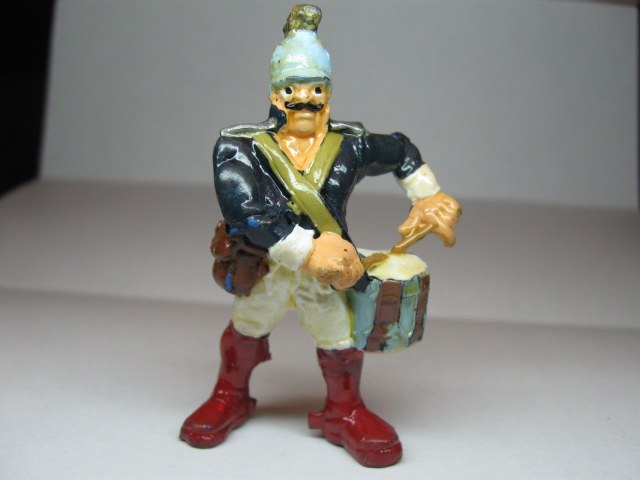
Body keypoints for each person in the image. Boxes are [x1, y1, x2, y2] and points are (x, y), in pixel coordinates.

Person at [180, 4, 461, 468]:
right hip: (268, 266)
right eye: (292, 89)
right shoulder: (239, 147)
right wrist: (309, 251)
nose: (304, 99)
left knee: (339, 338)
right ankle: (230, 395)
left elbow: (401, 151)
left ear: (328, 94)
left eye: (315, 89)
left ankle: (343, 410)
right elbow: (245, 212)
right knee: (247, 327)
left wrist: (428, 194)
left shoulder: (350, 144)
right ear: (275, 95)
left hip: (327, 275)